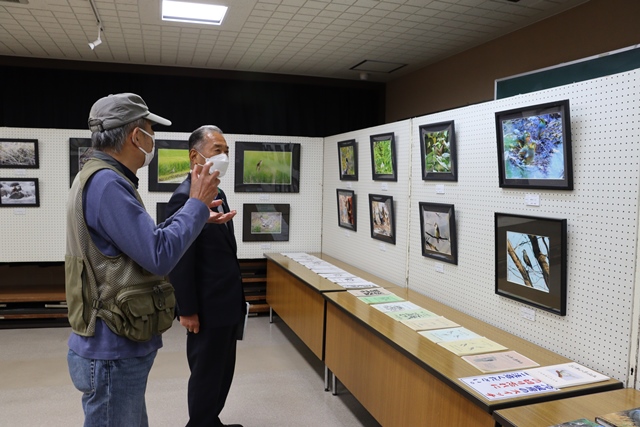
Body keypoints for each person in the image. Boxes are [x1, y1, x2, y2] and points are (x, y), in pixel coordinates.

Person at [65, 93, 223, 427]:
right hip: (112, 348)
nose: (153, 140)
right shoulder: (107, 183)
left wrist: (197, 217)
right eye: (150, 130)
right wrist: (195, 205)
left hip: (114, 345)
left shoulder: (99, 176)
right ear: (136, 136)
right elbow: (158, 256)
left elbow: (139, 244)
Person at [167, 125, 246, 427]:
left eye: (227, 150)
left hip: (227, 303)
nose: (225, 156)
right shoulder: (183, 198)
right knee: (206, 374)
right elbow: (180, 258)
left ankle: (211, 420)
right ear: (194, 155)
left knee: (223, 371)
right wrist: (186, 309)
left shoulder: (219, 192)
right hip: (206, 307)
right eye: (218, 150)